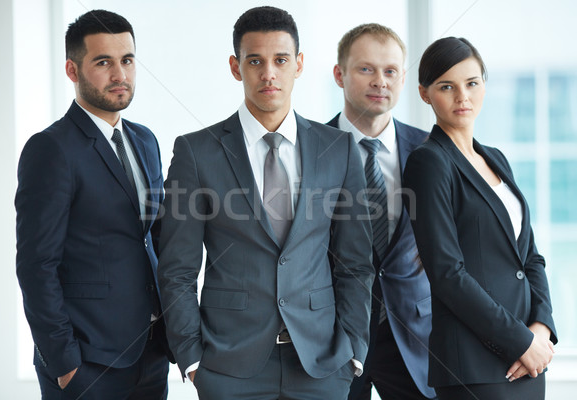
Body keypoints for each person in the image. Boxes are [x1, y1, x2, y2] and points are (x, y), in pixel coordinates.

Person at [158, 6, 374, 400]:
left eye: (280, 60)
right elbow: (177, 269)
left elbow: (356, 262)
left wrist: (354, 350)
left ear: (299, 64)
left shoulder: (338, 149)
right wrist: (191, 359)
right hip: (228, 367)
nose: (268, 73)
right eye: (254, 61)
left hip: (322, 367)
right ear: (235, 67)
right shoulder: (196, 152)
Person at [15, 9, 172, 400]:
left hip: (150, 351)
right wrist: (64, 362)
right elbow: (36, 264)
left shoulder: (145, 140)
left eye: (127, 60)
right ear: (73, 70)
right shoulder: (51, 149)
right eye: (104, 62)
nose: (120, 74)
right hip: (87, 361)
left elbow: (152, 236)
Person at [403, 36, 557, 400]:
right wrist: (519, 341)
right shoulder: (428, 163)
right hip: (475, 365)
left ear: (484, 84)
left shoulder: (496, 159)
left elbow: (529, 256)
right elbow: (446, 274)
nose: (462, 97)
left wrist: (542, 327)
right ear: (425, 94)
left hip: (528, 358)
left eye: (472, 83)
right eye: (447, 87)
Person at [328, 23, 435, 400]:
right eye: (366, 69)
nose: (380, 81)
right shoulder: (310, 149)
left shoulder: (430, 151)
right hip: (334, 340)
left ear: (403, 78)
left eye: (390, 71)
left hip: (414, 337)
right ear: (340, 74)